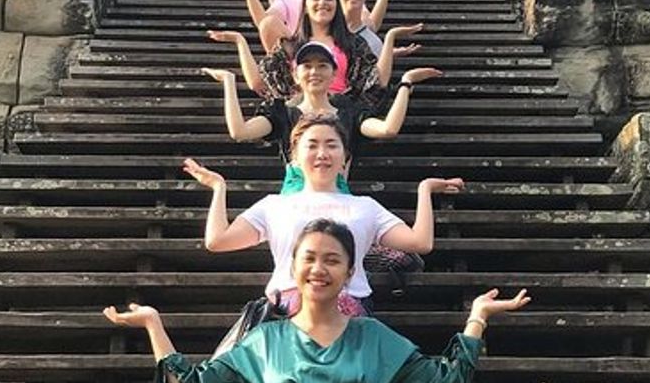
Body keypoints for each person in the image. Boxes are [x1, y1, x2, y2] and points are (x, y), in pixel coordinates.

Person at [103, 216, 530, 383]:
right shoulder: (264, 343)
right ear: (294, 267)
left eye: (332, 260)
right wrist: (154, 325)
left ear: (349, 272)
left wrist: (477, 318)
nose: (319, 269)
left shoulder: (373, 337)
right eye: (309, 258)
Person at [182, 115, 464, 314]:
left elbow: (420, 243)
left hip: (350, 307)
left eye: (331, 145)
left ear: (345, 157)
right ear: (294, 157)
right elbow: (218, 241)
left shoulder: (365, 206)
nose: (322, 153)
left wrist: (424, 190)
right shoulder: (273, 205)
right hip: (287, 309)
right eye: (312, 145)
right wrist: (219, 188)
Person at [202, 40, 441, 169]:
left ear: (334, 73)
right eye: (307, 66)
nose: (314, 71)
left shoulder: (350, 111)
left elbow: (387, 129)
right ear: (295, 74)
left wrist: (406, 83)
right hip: (295, 201)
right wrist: (229, 82)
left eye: (322, 65)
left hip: (340, 202)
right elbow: (239, 131)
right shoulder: (282, 112)